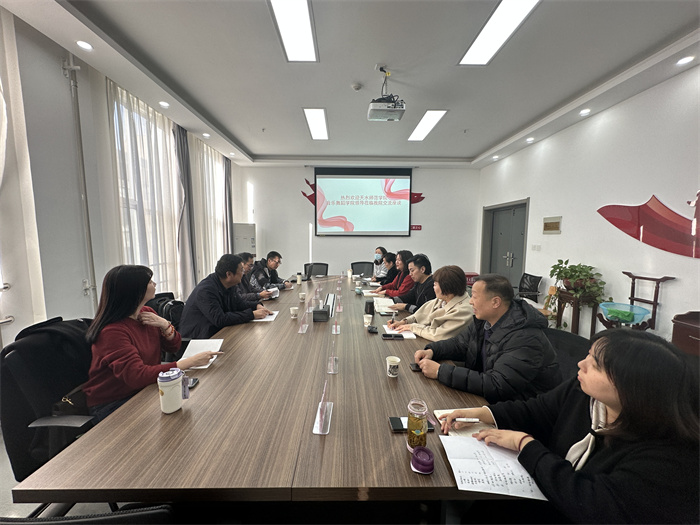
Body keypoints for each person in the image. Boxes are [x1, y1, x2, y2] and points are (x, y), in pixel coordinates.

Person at [439, 329, 700, 524]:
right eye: (588, 355)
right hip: (544, 496)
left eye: (594, 365)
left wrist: (525, 445)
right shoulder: (584, 392)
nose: (580, 364)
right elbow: (536, 411)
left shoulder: (669, 455)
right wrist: (481, 413)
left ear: (632, 388)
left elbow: (592, 504)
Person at [83, 265, 222, 422]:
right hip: (114, 402)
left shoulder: (147, 313)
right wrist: (188, 362)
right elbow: (137, 376)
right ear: (134, 290)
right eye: (149, 282)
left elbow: (174, 347)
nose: (154, 284)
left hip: (146, 388)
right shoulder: (112, 332)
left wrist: (165, 325)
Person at [414, 273, 560, 402]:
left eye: (475, 297)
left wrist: (440, 371)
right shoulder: (485, 321)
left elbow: (498, 384)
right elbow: (460, 343)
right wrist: (432, 350)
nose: (470, 301)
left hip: (520, 409)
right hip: (488, 397)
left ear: (495, 302)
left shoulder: (525, 337)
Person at [179, 254, 272, 339]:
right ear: (229, 274)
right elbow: (220, 319)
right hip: (198, 339)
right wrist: (252, 315)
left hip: (217, 332)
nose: (243, 273)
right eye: (241, 270)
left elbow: (239, 304)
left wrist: (256, 305)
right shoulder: (206, 290)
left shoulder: (229, 284)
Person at [389, 265, 473, 342]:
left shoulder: (463, 310)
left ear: (447, 287)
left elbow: (438, 335)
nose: (433, 288)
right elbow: (420, 315)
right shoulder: (443, 299)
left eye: (435, 285)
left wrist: (412, 327)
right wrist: (404, 322)